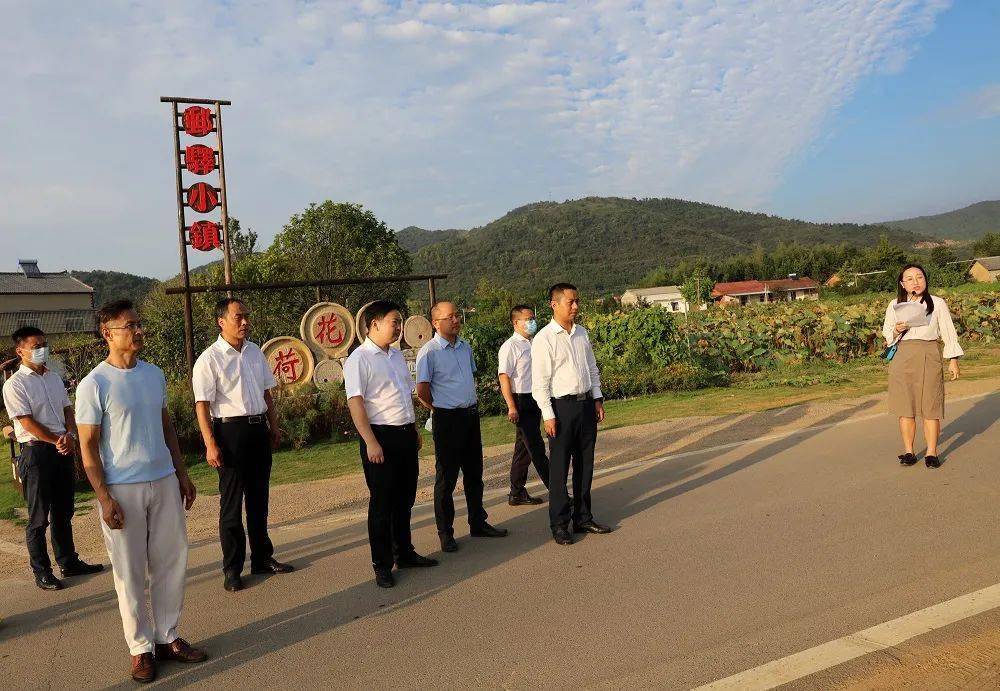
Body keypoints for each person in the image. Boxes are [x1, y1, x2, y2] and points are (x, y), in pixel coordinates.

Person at [76, 300, 207, 683]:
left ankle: (168, 636)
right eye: (128, 325)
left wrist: (181, 473)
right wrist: (103, 496)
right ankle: (140, 648)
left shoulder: (154, 375)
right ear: (107, 333)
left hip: (163, 480)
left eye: (139, 324)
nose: (138, 331)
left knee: (171, 560)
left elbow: (166, 428)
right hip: (123, 488)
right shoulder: (94, 384)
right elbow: (87, 445)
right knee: (130, 572)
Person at [193, 297, 294, 593]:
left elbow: (267, 394)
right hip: (230, 433)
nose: (245, 322)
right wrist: (210, 443)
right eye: (239, 317)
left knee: (259, 499)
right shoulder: (209, 359)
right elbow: (202, 405)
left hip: (257, 430)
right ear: (221, 321)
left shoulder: (254, 353)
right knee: (232, 505)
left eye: (246, 316)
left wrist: (273, 426)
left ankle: (262, 557)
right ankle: (232, 568)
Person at [344, 301, 438, 588]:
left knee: (405, 499)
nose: (399, 326)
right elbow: (356, 402)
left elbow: (403, 395)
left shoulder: (395, 356)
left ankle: (404, 552)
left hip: (404, 435)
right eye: (394, 321)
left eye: (400, 322)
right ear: (374, 324)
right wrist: (370, 441)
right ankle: (382, 564)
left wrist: (413, 429)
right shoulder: (359, 359)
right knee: (382, 504)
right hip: (379, 438)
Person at [2, 327, 102, 590]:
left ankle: (68, 562)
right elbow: (25, 421)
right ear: (20, 350)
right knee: (38, 517)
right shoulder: (15, 384)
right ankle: (42, 571)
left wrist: (69, 434)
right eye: (36, 345)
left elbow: (67, 409)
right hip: (36, 452)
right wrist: (56, 440)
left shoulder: (54, 378)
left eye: (44, 344)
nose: (41, 350)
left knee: (64, 510)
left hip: (62, 449)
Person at [416, 300, 508, 552]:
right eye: (449, 317)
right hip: (447, 419)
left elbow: (468, 378)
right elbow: (422, 391)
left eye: (457, 315)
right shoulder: (430, 352)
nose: (456, 320)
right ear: (436, 323)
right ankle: (445, 533)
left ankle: (478, 522)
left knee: (474, 473)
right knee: (446, 479)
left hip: (470, 417)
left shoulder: (465, 348)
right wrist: (440, 410)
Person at [531, 283, 613, 545]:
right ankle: (559, 523)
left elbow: (592, 368)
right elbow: (540, 383)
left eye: (577, 301)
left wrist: (597, 398)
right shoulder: (544, 339)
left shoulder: (581, 334)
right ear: (554, 305)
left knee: (585, 465)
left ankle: (583, 517)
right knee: (559, 468)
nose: (576, 306)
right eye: (571, 302)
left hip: (585, 404)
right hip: (561, 409)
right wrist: (548, 414)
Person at [882, 264, 962, 469]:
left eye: (919, 277)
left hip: (929, 353)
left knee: (931, 406)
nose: (915, 281)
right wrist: (896, 329)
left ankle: (931, 452)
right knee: (905, 406)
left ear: (925, 279)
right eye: (909, 278)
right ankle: (909, 451)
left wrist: (953, 359)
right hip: (902, 356)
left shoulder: (937, 303)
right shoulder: (894, 304)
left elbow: (947, 331)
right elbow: (887, 334)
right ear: (902, 284)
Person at [498, 305, 550, 505]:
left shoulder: (534, 343)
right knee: (536, 447)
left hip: (536, 397)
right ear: (516, 322)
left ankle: (516, 492)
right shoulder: (510, 347)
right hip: (521, 400)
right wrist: (511, 406)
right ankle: (557, 491)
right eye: (528, 319)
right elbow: (504, 378)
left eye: (533, 318)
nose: (532, 322)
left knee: (523, 448)